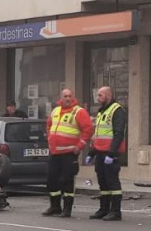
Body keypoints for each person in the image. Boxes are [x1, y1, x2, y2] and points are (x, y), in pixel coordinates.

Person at [42, 88, 93, 218]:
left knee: (67, 180)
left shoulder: (79, 111)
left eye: (70, 96)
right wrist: (50, 139)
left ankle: (67, 209)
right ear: (61, 97)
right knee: (51, 179)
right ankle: (55, 206)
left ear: (73, 97)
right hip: (55, 153)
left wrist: (80, 146)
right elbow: (48, 125)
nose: (68, 98)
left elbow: (88, 130)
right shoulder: (55, 110)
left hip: (69, 152)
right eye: (65, 96)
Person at [87, 86, 127, 222]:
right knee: (103, 183)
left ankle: (115, 211)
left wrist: (111, 153)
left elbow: (118, 134)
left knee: (113, 183)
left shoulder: (117, 110)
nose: (98, 98)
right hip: (100, 153)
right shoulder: (101, 112)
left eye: (100, 95)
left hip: (110, 154)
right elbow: (99, 136)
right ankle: (103, 209)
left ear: (108, 96)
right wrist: (91, 153)